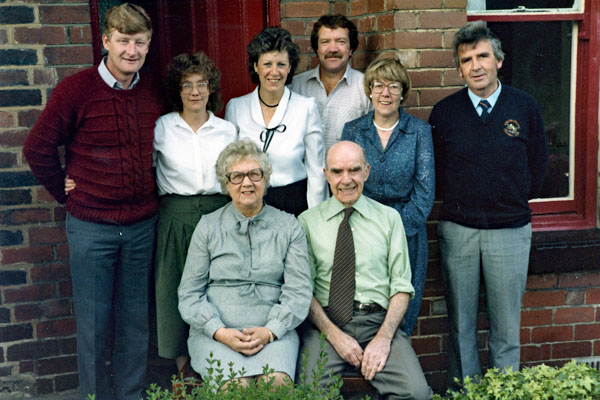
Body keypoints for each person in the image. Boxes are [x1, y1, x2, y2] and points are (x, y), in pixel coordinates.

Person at [22, 4, 160, 400]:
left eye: (139, 42)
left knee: (135, 322)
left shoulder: (151, 91)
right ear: (105, 42)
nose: (131, 50)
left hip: (140, 226)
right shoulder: (76, 90)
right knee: (95, 325)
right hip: (92, 228)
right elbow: (36, 148)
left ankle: (131, 395)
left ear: (148, 45)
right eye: (123, 41)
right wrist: (62, 190)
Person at [429, 21, 548, 387]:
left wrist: (507, 198)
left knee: (506, 327)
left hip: (509, 231)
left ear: (498, 60)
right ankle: (466, 393)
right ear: (459, 68)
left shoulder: (523, 107)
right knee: (461, 326)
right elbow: (436, 171)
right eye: (466, 60)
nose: (475, 65)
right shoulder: (444, 112)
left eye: (482, 56)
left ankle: (505, 393)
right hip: (459, 231)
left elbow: (538, 167)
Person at [297, 141, 433, 400]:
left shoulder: (389, 218)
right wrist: (335, 336)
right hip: (327, 325)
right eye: (337, 171)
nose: (346, 180)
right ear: (325, 174)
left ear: (367, 172)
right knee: (309, 394)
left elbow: (401, 287)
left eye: (354, 170)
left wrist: (383, 338)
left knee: (416, 394)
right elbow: (304, 290)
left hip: (378, 323)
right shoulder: (307, 222)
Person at [178, 139, 313, 385]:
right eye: (237, 176)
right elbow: (189, 294)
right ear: (226, 184)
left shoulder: (289, 226)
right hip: (216, 335)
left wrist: (271, 330)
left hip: (274, 334)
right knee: (235, 386)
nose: (247, 183)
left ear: (266, 179)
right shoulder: (208, 226)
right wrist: (219, 331)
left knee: (276, 384)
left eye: (254, 174)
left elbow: (299, 290)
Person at [153, 52, 236, 377]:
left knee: (216, 286)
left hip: (219, 213)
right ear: (178, 89)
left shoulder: (227, 129)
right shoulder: (163, 127)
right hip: (176, 215)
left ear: (211, 88)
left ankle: (217, 358)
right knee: (174, 286)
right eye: (187, 84)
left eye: (202, 83)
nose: (195, 91)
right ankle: (183, 365)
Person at [341, 53, 434, 336]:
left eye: (393, 86)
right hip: (361, 232)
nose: (385, 93)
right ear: (369, 91)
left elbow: (425, 190)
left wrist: (395, 231)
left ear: (403, 93)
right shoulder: (354, 131)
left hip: (408, 233)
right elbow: (346, 184)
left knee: (402, 307)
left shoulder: (419, 131)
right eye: (378, 85)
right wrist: (371, 230)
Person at [225, 27, 327, 216]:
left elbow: (316, 171)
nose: (274, 71)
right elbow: (230, 166)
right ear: (256, 66)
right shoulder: (236, 108)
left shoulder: (306, 108)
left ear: (289, 68)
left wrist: (315, 218)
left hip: (293, 203)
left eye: (281, 64)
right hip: (250, 203)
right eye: (267, 64)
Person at [291, 14, 371, 150]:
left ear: (351, 49)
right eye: (325, 42)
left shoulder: (366, 88)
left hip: (347, 170)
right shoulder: (295, 86)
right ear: (316, 49)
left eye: (341, 41)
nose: (333, 49)